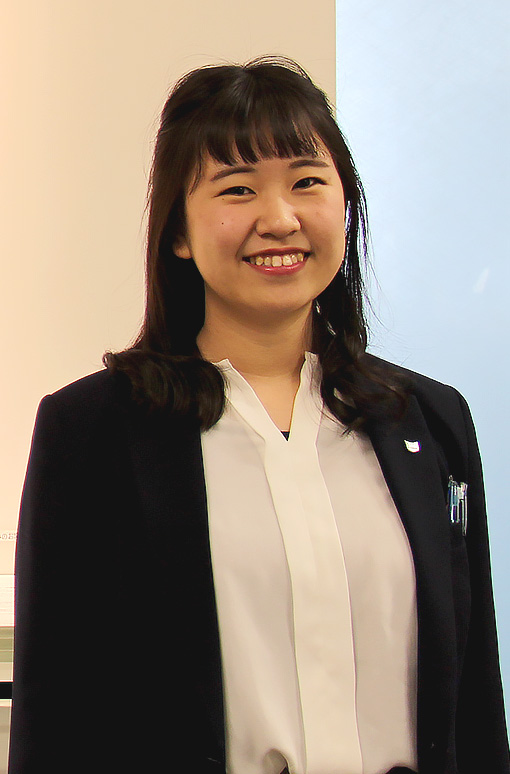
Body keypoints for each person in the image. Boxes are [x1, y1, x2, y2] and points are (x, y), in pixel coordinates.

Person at [8, 57, 509, 774]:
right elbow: (56, 715)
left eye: (308, 182)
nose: (279, 219)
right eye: (237, 189)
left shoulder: (429, 420)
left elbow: (475, 704)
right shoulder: (93, 432)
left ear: (346, 206)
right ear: (178, 232)